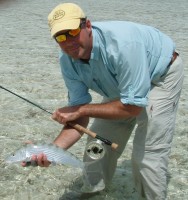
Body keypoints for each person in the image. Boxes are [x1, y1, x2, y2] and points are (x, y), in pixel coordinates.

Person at [23, 3, 184, 199]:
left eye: (73, 31)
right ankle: (93, 192)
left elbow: (131, 108)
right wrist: (50, 152)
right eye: (61, 37)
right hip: (122, 85)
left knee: (147, 157)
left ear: (88, 26)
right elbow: (78, 120)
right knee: (96, 147)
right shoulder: (67, 61)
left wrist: (81, 110)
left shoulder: (124, 46)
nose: (68, 41)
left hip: (159, 77)